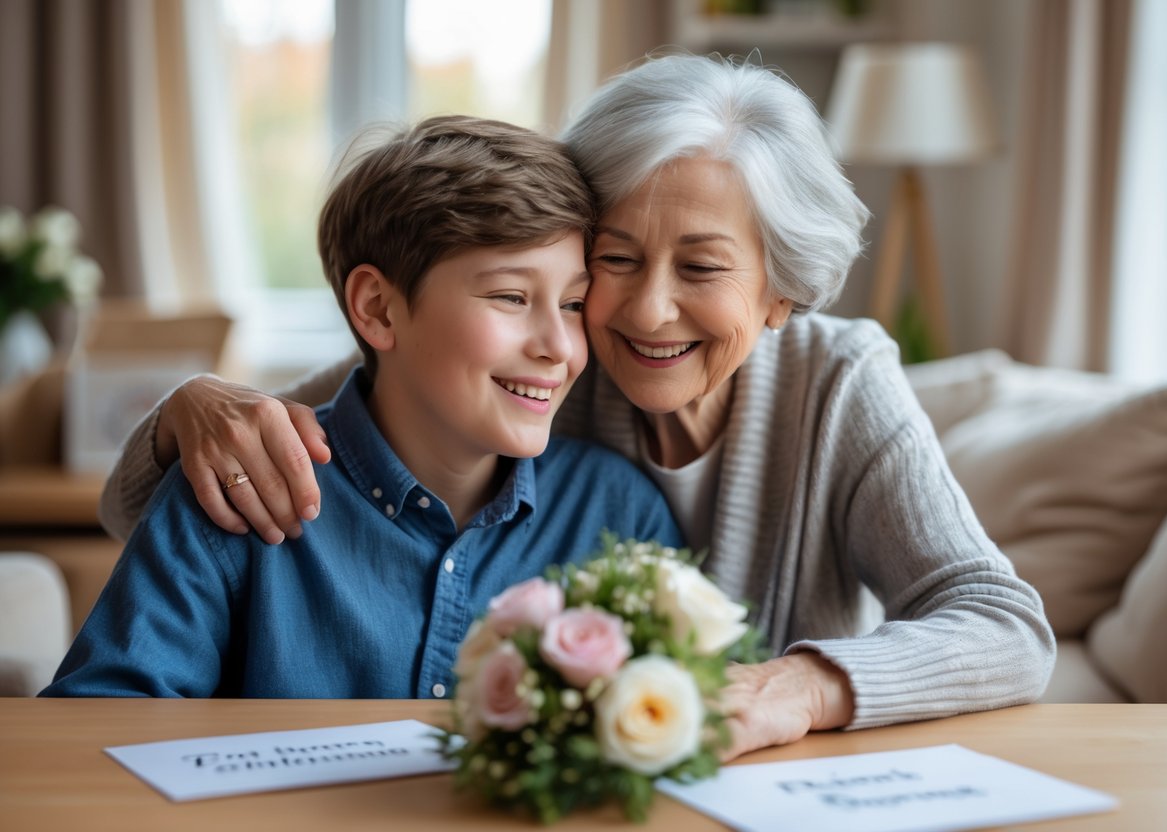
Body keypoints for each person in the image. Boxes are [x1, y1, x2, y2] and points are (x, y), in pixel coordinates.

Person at [97, 54, 1055, 753]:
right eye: (614, 258)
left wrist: (795, 686)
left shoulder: (836, 381)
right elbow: (343, 416)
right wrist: (189, 408)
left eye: (702, 268)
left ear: (780, 294)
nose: (642, 311)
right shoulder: (557, 354)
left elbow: (1003, 624)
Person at [42, 116, 682, 698]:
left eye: (573, 304)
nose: (559, 347)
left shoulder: (617, 514)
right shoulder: (242, 486)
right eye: (512, 297)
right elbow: (97, 727)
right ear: (377, 308)